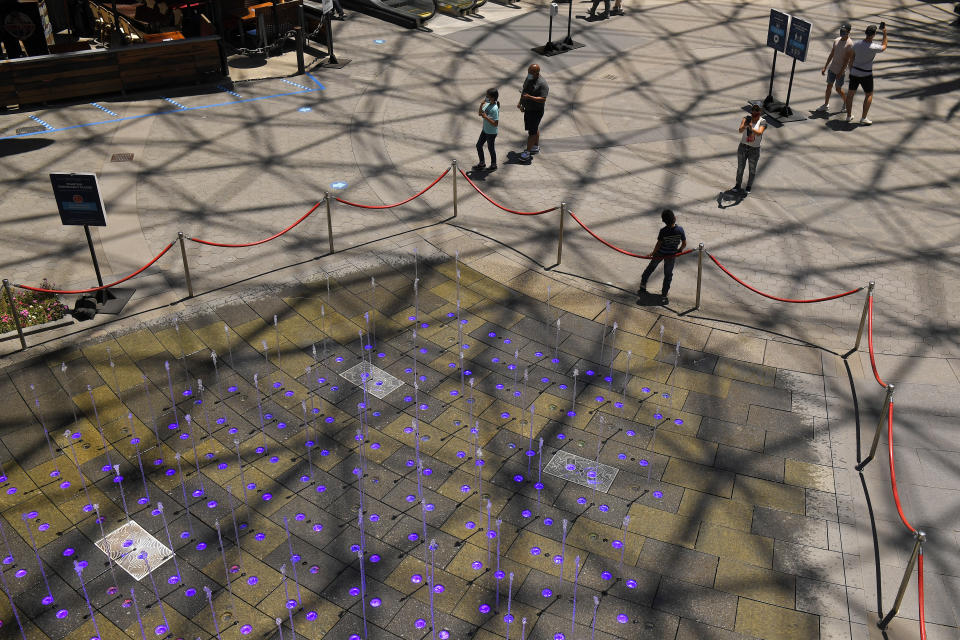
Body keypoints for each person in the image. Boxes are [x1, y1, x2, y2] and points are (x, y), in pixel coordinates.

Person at [637, 209, 687, 305]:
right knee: (668, 274)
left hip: (660, 254)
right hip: (671, 256)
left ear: (663, 221)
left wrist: (652, 253)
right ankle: (664, 293)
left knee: (650, 268)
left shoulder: (663, 231)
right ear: (675, 219)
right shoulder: (680, 230)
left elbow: (658, 244)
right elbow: (684, 243)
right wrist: (679, 250)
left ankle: (643, 285)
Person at [844, 23, 887, 125]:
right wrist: (885, 32)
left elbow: (852, 58)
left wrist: (851, 70)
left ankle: (848, 116)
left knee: (850, 95)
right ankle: (863, 117)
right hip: (866, 74)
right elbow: (884, 46)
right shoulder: (873, 47)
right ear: (874, 35)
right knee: (868, 95)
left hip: (855, 72)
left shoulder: (857, 44)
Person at [817, 23, 853, 112]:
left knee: (838, 89)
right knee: (829, 86)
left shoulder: (850, 44)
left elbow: (846, 61)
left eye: (844, 31)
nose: (842, 33)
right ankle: (826, 104)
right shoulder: (836, 40)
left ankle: (846, 102)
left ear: (848, 32)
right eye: (841, 31)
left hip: (840, 71)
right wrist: (825, 67)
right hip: (832, 68)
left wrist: (841, 72)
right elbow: (832, 54)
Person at [733, 104, 767, 194]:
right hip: (743, 146)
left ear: (760, 112)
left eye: (757, 111)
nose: (754, 113)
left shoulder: (762, 121)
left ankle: (748, 186)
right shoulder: (746, 119)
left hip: (754, 149)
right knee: (740, 168)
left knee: (752, 169)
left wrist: (751, 127)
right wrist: (745, 126)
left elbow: (759, 133)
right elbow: (740, 130)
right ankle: (737, 185)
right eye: (753, 110)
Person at [517, 64, 548, 161]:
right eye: (528, 72)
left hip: (536, 111)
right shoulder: (529, 77)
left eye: (531, 72)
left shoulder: (542, 84)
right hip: (528, 109)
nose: (529, 74)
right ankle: (535, 146)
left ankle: (527, 152)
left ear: (537, 73)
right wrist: (520, 103)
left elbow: (543, 99)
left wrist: (530, 97)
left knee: (532, 132)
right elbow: (524, 91)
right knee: (534, 128)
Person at [474, 88, 500, 171]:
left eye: (487, 96)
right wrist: (481, 105)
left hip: (491, 133)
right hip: (485, 130)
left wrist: (486, 117)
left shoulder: (495, 108)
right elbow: (479, 113)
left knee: (490, 148)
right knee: (478, 145)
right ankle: (482, 163)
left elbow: (495, 123)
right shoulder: (487, 104)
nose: (486, 97)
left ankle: (493, 165)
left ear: (492, 97)